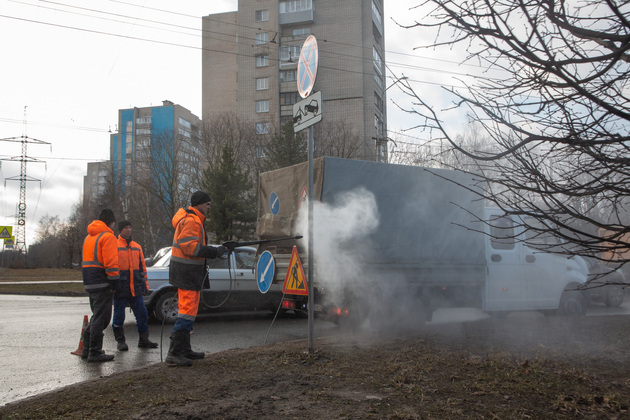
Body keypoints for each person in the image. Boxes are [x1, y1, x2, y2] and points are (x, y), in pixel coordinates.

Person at [166, 191, 227, 367]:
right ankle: (175, 352)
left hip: (187, 273)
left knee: (189, 311)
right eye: (207, 204)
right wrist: (214, 251)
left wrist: (214, 250)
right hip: (188, 273)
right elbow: (190, 248)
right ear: (199, 204)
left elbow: (190, 246)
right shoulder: (192, 221)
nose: (209, 207)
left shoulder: (191, 219)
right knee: (186, 311)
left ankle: (184, 350)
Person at [112, 220, 158, 351]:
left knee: (142, 314)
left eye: (130, 227)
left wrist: (145, 285)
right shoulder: (114, 245)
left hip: (135, 287)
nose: (129, 230)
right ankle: (120, 341)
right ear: (121, 230)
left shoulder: (137, 247)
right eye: (126, 228)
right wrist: (113, 285)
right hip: (120, 287)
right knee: (119, 316)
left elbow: (142, 268)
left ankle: (144, 340)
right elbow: (111, 267)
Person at [81, 208, 119, 363]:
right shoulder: (108, 236)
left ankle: (86, 348)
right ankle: (95, 351)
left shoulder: (89, 237)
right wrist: (114, 283)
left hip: (89, 280)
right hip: (102, 281)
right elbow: (111, 263)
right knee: (102, 318)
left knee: (97, 315)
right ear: (111, 222)